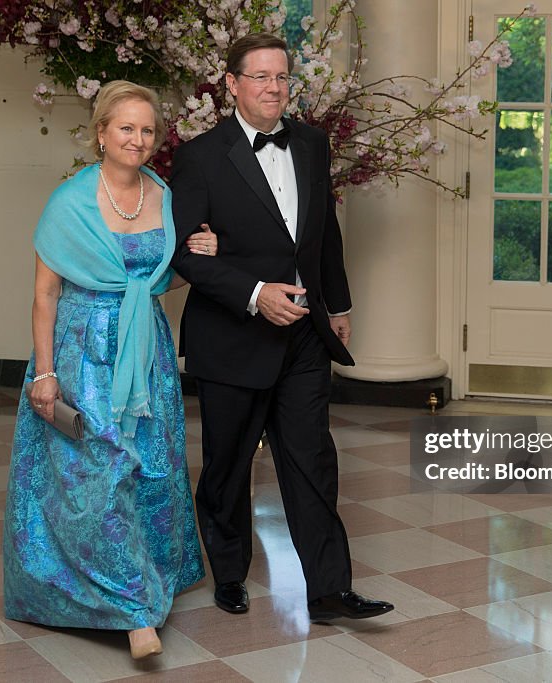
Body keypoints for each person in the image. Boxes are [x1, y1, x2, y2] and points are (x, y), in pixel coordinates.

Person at [170, 33, 394, 622]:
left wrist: (338, 305)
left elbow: (325, 233)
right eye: (261, 77)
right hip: (232, 335)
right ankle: (229, 573)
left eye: (282, 77)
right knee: (227, 466)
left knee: (312, 459)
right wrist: (254, 294)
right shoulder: (198, 156)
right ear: (232, 85)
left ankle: (327, 589)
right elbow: (187, 256)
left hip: (302, 335)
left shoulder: (314, 145)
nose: (274, 88)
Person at [3, 81, 216, 660]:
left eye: (148, 131)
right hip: (81, 351)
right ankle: (132, 611)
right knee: (96, 473)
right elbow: (45, 295)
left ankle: (149, 581)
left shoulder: (164, 196)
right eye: (126, 128)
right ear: (101, 133)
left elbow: (163, 276)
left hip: (146, 351)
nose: (138, 140)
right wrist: (44, 375)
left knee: (148, 467)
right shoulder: (69, 202)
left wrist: (201, 248)